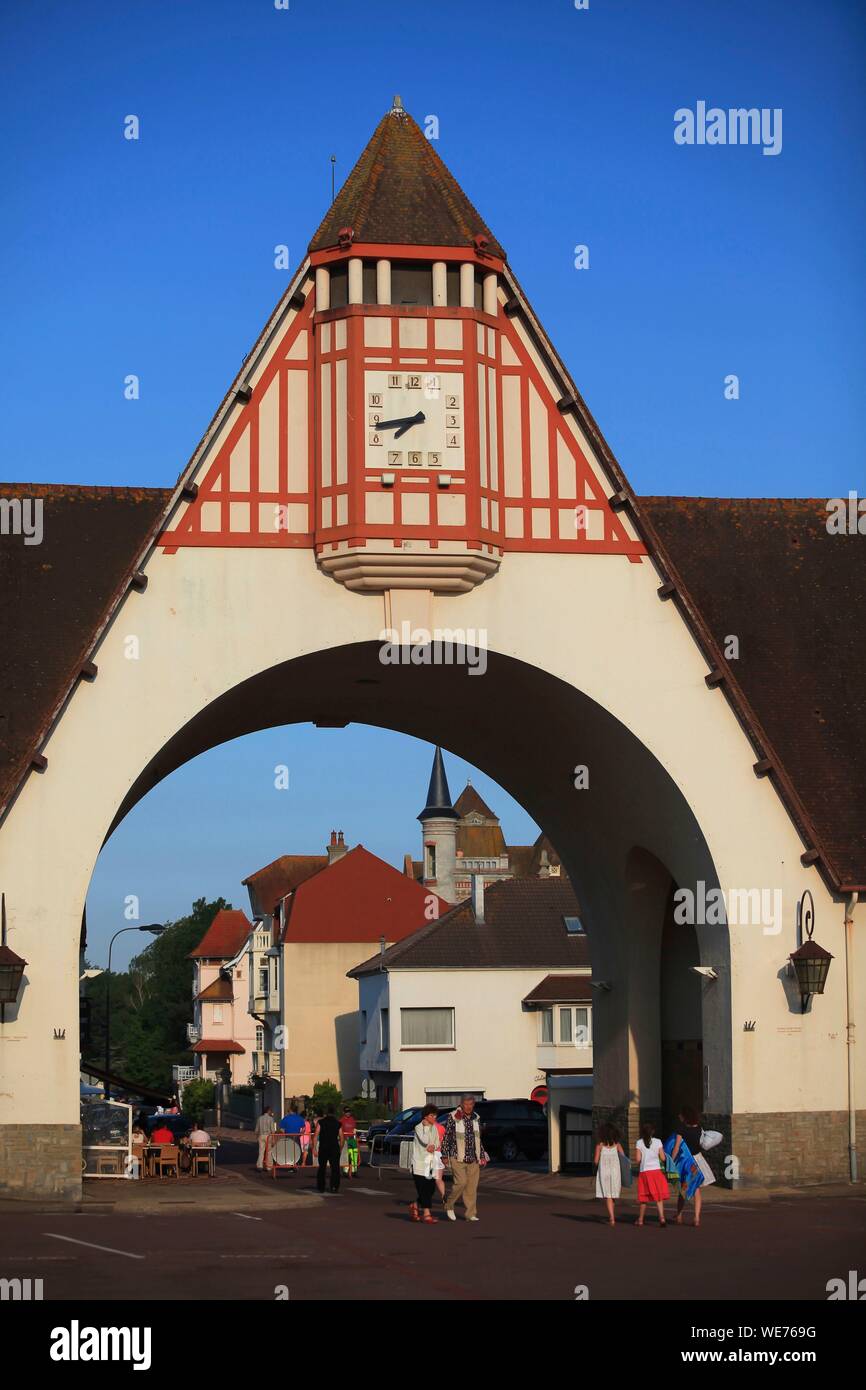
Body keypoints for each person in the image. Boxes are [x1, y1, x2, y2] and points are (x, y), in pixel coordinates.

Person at [441, 1095, 488, 1222]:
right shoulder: (453, 1116)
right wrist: (444, 1155)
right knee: (461, 1183)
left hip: (473, 1157)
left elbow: (478, 1139)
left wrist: (482, 1156)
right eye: (466, 1104)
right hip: (457, 1156)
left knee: (472, 1187)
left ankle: (470, 1213)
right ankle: (449, 1204)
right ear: (461, 1104)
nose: (468, 1107)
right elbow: (447, 1136)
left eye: (470, 1104)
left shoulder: (476, 1118)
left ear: (473, 1105)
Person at [671, 1105, 715, 1228]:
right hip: (697, 1160)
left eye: (681, 1114)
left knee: (683, 1189)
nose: (679, 1116)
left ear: (685, 1116)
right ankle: (696, 1217)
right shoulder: (699, 1129)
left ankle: (679, 1215)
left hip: (686, 1162)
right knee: (696, 1190)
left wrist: (672, 1161)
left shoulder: (681, 1130)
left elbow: (676, 1148)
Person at [409, 1104, 442, 1223]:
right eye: (432, 1115)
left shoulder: (434, 1127)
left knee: (430, 1189)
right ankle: (427, 1214)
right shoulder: (419, 1127)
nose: (434, 1118)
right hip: (419, 1164)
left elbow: (437, 1141)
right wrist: (427, 1128)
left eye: (435, 1115)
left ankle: (415, 1205)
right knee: (423, 1189)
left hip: (430, 1164)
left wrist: (434, 1146)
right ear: (426, 1116)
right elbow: (424, 1140)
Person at [634, 1122, 669, 1226]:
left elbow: (637, 1159)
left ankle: (640, 1220)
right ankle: (662, 1218)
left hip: (645, 1172)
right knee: (658, 1197)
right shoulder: (658, 1142)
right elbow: (663, 1158)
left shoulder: (639, 1143)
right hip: (656, 1171)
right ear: (652, 1132)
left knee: (644, 1198)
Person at [594, 1122, 625, 1225]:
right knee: (613, 1195)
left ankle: (612, 1218)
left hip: (604, 1171)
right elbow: (623, 1157)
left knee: (608, 1195)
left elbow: (596, 1161)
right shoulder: (617, 1144)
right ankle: (612, 1215)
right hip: (615, 1171)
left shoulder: (600, 1145)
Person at [315, 1105, 342, 1193]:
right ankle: (334, 1186)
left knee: (322, 1167)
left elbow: (315, 1135)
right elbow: (342, 1137)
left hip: (323, 1147)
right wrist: (340, 1148)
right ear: (334, 1113)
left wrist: (314, 1148)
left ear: (326, 1113)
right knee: (335, 1168)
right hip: (334, 1147)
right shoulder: (338, 1123)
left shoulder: (321, 1122)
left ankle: (321, 1187)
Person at [255, 1106, 277, 1170]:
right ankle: (269, 1166)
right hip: (268, 1136)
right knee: (269, 1151)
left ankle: (260, 1166)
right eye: (270, 1111)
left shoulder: (259, 1118)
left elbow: (256, 1129)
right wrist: (273, 1139)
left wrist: (257, 1136)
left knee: (261, 1151)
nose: (271, 1112)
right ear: (268, 1111)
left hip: (261, 1135)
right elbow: (272, 1130)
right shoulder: (271, 1119)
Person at [340, 1106, 359, 1178]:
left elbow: (354, 1128)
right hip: (345, 1140)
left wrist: (355, 1135)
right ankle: (345, 1170)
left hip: (352, 1139)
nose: (348, 1113)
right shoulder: (341, 1120)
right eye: (346, 1112)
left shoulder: (352, 1119)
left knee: (354, 1155)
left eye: (349, 1112)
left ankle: (354, 1171)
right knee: (346, 1156)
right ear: (343, 1112)